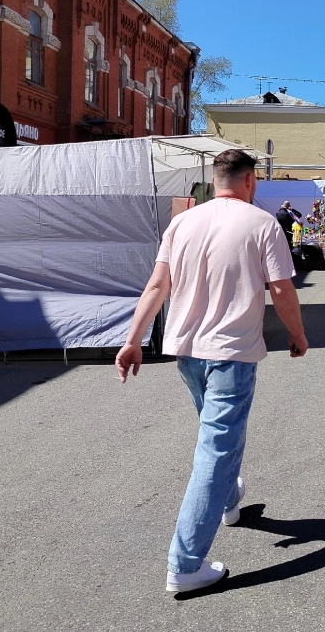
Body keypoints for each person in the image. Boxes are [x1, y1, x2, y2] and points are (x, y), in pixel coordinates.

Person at [114, 149, 309, 594]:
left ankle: (227, 500)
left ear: (215, 179)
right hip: (231, 353)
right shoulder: (262, 224)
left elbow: (157, 285)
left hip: (186, 351)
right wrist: (297, 335)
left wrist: (132, 340)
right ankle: (185, 565)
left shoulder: (182, 222)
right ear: (249, 181)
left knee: (216, 437)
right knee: (215, 452)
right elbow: (281, 289)